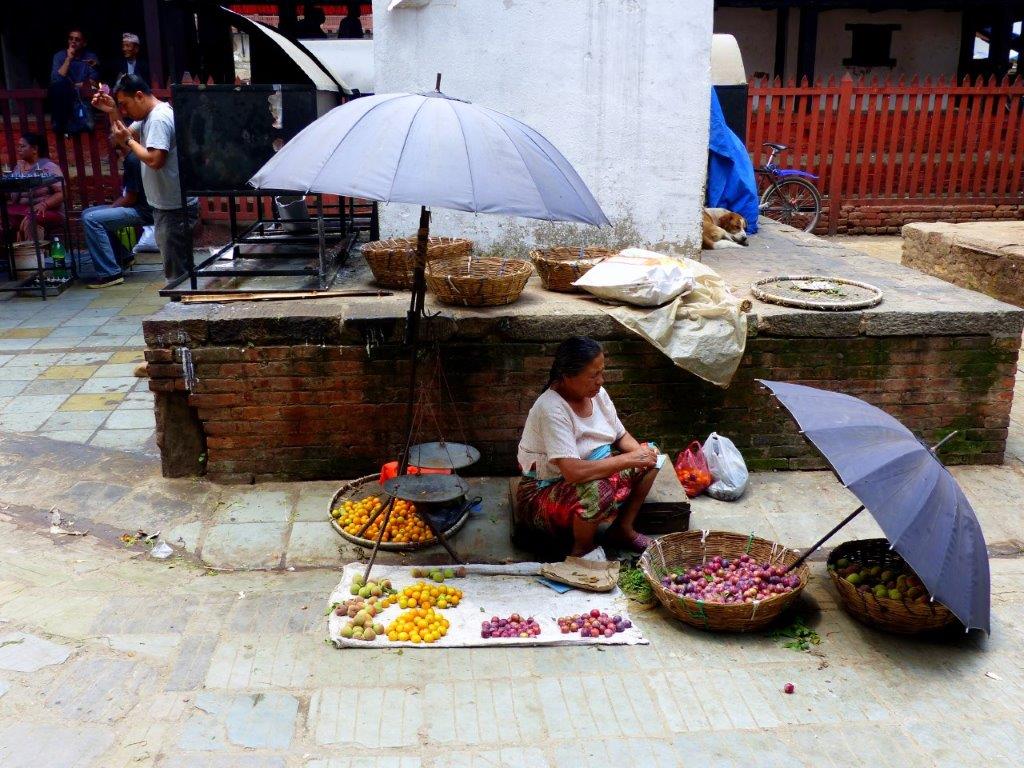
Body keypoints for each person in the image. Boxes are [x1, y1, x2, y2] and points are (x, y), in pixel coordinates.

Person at [516, 337, 661, 556]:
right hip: (544, 490)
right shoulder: (551, 408)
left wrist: (641, 455)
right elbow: (573, 472)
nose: (600, 381)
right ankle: (582, 548)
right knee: (597, 490)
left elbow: (620, 435)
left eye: (602, 372)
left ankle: (622, 529)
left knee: (652, 455)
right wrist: (629, 459)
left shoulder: (597, 394)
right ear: (567, 376)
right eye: (593, 375)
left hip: (591, 470)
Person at [91, 74, 196, 282]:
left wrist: (129, 141)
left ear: (139, 96)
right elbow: (121, 137)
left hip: (174, 208)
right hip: (168, 205)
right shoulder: (148, 116)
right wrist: (112, 111)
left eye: (124, 104)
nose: (124, 111)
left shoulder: (158, 118)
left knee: (177, 275)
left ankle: (181, 301)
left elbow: (155, 160)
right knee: (177, 270)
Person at [79, 145, 153, 288]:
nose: (110, 138)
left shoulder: (133, 159)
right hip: (136, 207)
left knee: (92, 219)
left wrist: (111, 208)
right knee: (87, 213)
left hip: (143, 211)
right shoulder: (130, 158)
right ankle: (123, 256)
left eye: (113, 135)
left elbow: (130, 198)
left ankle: (110, 274)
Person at [2, 133, 65, 243]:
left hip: (47, 210)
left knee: (31, 219)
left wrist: (44, 204)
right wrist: (14, 178)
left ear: (35, 149)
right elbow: (13, 195)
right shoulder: (19, 167)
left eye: (22, 146)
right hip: (22, 209)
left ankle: (33, 252)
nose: (19, 149)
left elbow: (62, 193)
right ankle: (11, 252)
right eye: (18, 146)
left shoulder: (49, 167)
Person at [49, 28, 99, 135]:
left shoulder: (90, 57)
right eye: (71, 39)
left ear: (84, 43)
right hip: (65, 101)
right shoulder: (59, 56)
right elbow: (56, 80)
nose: (73, 42)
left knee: (88, 125)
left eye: (77, 39)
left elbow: (93, 81)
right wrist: (68, 58)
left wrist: (80, 85)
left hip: (83, 99)